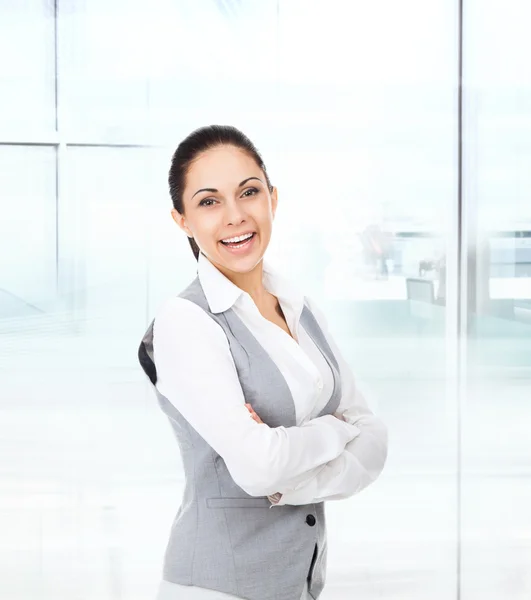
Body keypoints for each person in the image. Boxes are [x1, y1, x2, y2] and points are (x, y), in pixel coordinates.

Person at [137, 125, 388, 600]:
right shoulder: (185, 320)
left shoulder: (299, 306)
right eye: (209, 202)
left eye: (249, 192)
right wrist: (335, 431)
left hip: (300, 583)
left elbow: (374, 439)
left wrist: (289, 477)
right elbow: (257, 467)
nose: (236, 216)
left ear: (272, 199)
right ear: (182, 220)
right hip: (215, 587)